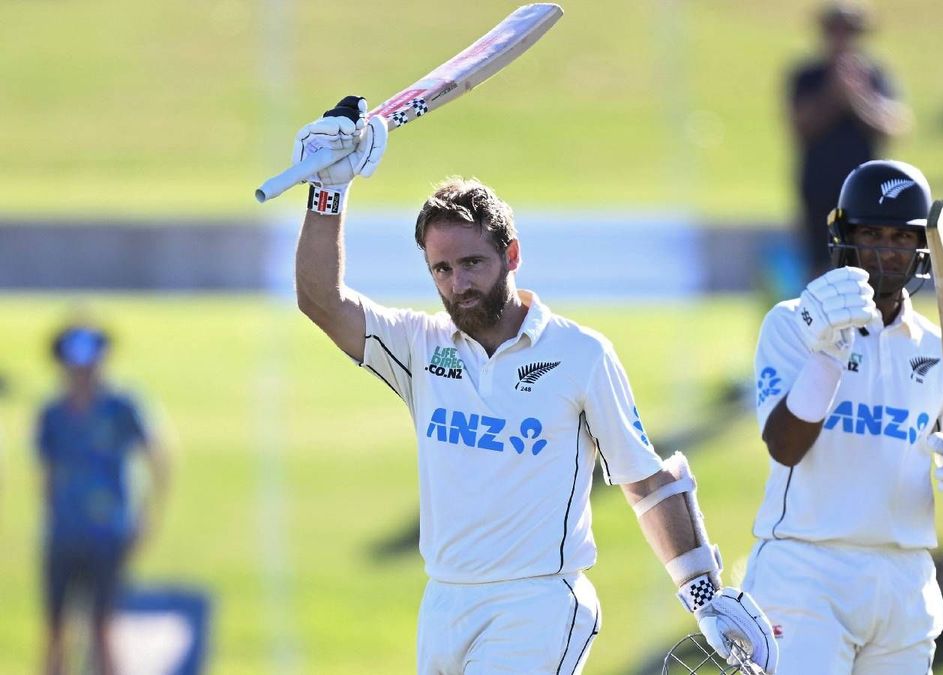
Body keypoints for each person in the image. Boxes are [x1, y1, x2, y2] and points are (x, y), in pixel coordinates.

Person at [289, 96, 778, 674]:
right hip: (444, 601)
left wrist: (702, 593)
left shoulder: (580, 354)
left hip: (538, 602)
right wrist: (327, 193)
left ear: (511, 253)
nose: (458, 285)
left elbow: (647, 482)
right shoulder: (420, 347)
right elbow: (321, 300)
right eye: (441, 271)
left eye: (472, 263)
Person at [743, 160, 943, 673]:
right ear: (845, 237)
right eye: (872, 234)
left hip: (904, 579)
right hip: (806, 570)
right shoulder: (791, 324)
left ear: (921, 250)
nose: (887, 252)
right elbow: (784, 446)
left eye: (900, 237)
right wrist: (828, 355)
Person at [37, 324, 170, 675]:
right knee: (54, 629)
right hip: (64, 532)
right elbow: (47, 472)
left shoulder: (121, 406)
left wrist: (147, 514)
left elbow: (158, 454)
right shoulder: (52, 413)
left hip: (108, 532)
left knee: (102, 627)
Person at [786, 0, 911, 280]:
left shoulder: (875, 75)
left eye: (849, 31)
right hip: (819, 187)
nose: (842, 39)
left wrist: (856, 98)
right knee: (818, 263)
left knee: (865, 262)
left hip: (865, 190)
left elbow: (894, 125)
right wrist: (833, 94)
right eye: (835, 31)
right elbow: (799, 126)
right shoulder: (807, 76)